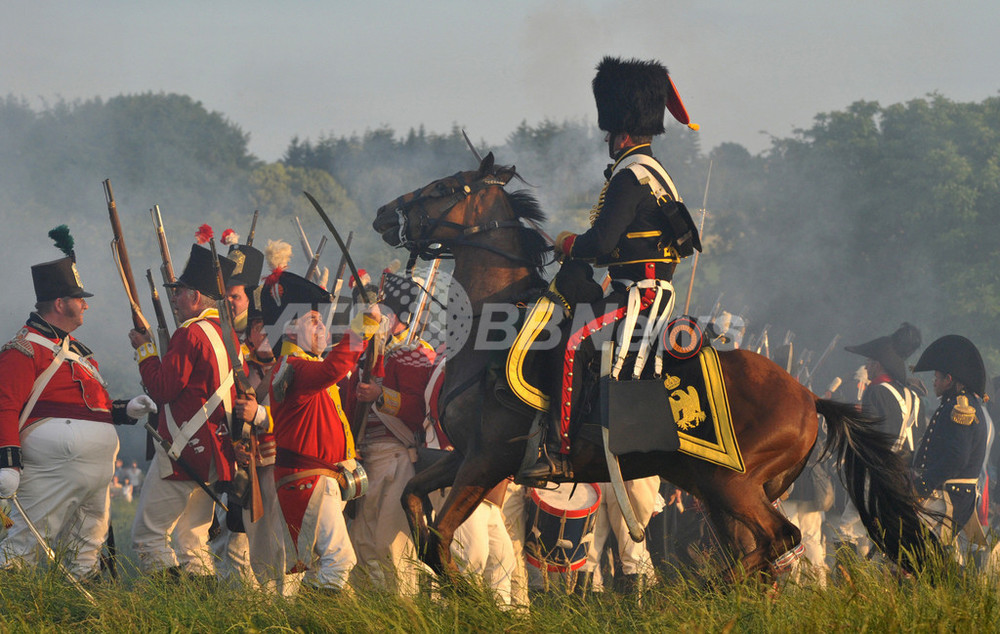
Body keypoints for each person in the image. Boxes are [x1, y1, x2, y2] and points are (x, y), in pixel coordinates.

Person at [523, 56, 701, 480]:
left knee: (568, 342)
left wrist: (567, 243)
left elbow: (601, 243)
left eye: (608, 132)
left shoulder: (629, 177)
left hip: (638, 295)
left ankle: (558, 451)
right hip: (642, 290)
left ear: (619, 132)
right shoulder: (655, 173)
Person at [0, 228, 148, 580]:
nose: (86, 304)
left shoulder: (82, 355)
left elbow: (91, 407)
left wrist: (124, 410)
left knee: (88, 549)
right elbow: (6, 405)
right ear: (59, 304)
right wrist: (8, 461)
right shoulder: (23, 349)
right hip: (51, 464)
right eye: (79, 298)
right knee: (23, 544)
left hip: (95, 469)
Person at [256, 267, 379, 592]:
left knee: (319, 567)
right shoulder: (295, 367)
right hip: (309, 480)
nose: (323, 326)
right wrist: (364, 324)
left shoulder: (295, 365)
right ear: (291, 329)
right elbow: (336, 366)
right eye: (314, 320)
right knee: (339, 561)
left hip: (316, 478)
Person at [128, 241, 238, 578]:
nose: (174, 300)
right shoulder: (227, 333)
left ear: (194, 297)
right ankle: (200, 610)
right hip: (214, 455)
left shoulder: (189, 335)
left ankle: (168, 605)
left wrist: (146, 350)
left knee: (147, 537)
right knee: (191, 539)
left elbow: (161, 389)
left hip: (183, 451)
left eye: (179, 293)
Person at [345, 272, 436, 596]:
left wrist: (380, 396)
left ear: (396, 317)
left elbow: (419, 408)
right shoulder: (364, 351)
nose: (374, 316)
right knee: (361, 541)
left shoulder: (415, 351)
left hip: (397, 455)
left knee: (392, 542)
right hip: (365, 456)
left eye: (381, 311)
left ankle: (404, 607)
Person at [912, 335, 992, 552]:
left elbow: (957, 457)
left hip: (949, 494)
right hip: (947, 492)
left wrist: (923, 486)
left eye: (937, 377)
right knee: (939, 555)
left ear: (949, 379)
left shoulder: (961, 407)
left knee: (913, 551)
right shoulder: (952, 404)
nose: (933, 381)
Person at [844, 323, 924, 460]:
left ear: (877, 365)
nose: (866, 367)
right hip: (905, 471)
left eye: (868, 362)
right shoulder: (915, 398)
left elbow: (869, 435)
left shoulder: (876, 391)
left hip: (881, 467)